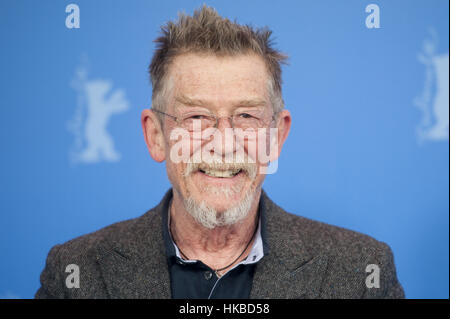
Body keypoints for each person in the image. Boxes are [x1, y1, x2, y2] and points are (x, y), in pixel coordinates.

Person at [35, 5, 404, 299]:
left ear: (276, 136)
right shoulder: (77, 274)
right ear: (156, 136)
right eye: (196, 117)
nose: (224, 142)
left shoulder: (361, 272)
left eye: (246, 115)